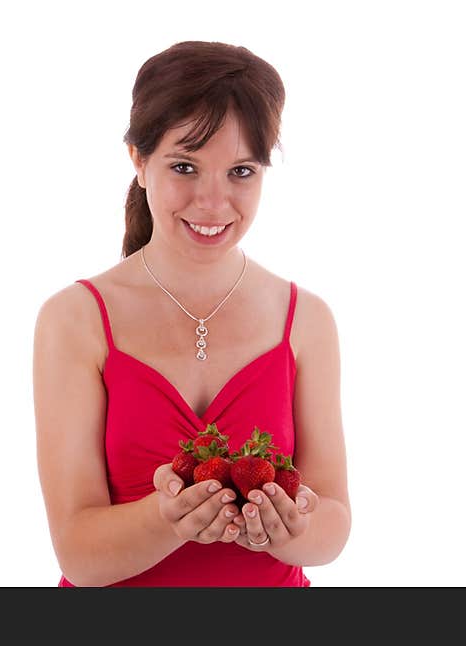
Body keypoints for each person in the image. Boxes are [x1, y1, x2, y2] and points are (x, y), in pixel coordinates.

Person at [32, 41, 350, 587]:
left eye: (241, 172)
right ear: (138, 160)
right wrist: (166, 520)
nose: (212, 201)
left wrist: (289, 526)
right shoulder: (74, 319)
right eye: (185, 166)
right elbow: (78, 557)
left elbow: (335, 523)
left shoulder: (307, 319)